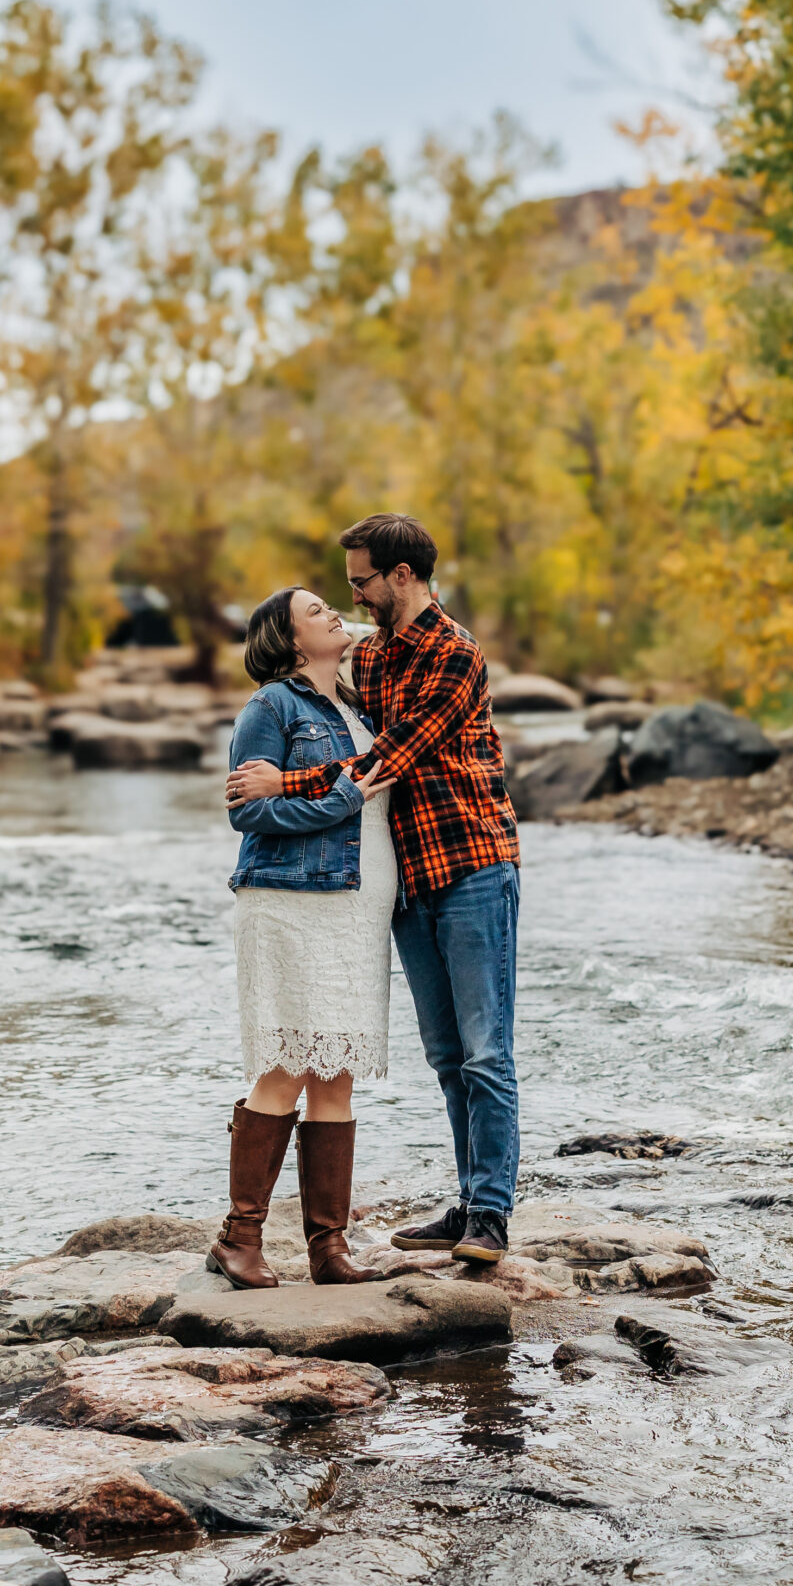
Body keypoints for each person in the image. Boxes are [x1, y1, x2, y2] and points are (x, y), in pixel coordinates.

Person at [228, 513, 520, 1266]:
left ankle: (489, 1215)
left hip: (471, 866)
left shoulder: (455, 654)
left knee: (486, 1054)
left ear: (401, 575)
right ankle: (457, 1207)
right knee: (448, 1058)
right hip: (403, 883)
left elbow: (394, 754)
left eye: (360, 582)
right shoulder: (374, 661)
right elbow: (320, 738)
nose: (351, 597)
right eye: (342, 588)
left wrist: (284, 780)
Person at [210, 584, 400, 1291]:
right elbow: (247, 818)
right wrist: (345, 795)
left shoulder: (357, 703)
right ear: (290, 641)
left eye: (332, 603)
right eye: (315, 610)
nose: (332, 613)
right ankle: (240, 1239)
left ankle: (328, 1247)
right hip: (292, 903)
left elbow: (404, 620)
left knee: (337, 1069)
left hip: (358, 904)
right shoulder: (271, 706)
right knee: (286, 1065)